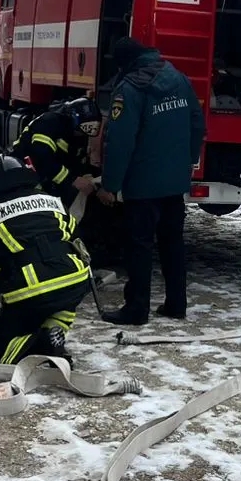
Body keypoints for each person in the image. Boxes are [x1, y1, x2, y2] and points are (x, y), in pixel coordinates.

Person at [96, 36, 206, 326]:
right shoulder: (179, 78)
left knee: (139, 246)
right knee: (172, 242)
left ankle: (136, 309)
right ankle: (176, 304)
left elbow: (119, 141)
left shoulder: (130, 89)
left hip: (143, 185)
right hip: (174, 182)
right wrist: (190, 160)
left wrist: (110, 185)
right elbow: (197, 122)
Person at [0, 154, 92, 365]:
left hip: (30, 289)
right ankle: (55, 326)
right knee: (61, 296)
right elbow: (77, 241)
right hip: (74, 279)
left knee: (1, 353)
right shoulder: (53, 203)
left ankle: (42, 342)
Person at [12, 97, 103, 206]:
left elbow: (73, 162)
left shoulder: (75, 134)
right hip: (23, 173)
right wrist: (73, 180)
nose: (83, 135)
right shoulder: (49, 123)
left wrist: (92, 182)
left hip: (43, 177)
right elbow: (41, 157)